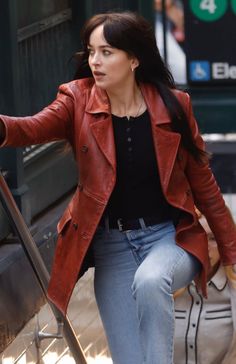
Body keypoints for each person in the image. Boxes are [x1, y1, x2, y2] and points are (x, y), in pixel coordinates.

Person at [0, 11, 236, 364]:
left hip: (169, 239)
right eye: (91, 51)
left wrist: (231, 251)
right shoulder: (76, 99)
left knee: (151, 279)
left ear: (134, 58)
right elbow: (30, 129)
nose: (95, 61)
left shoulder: (174, 106)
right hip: (112, 250)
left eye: (107, 52)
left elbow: (205, 185)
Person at [174, 215, 236, 364]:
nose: (205, 246)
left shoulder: (232, 290)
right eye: (197, 237)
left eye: (213, 238)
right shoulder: (162, 288)